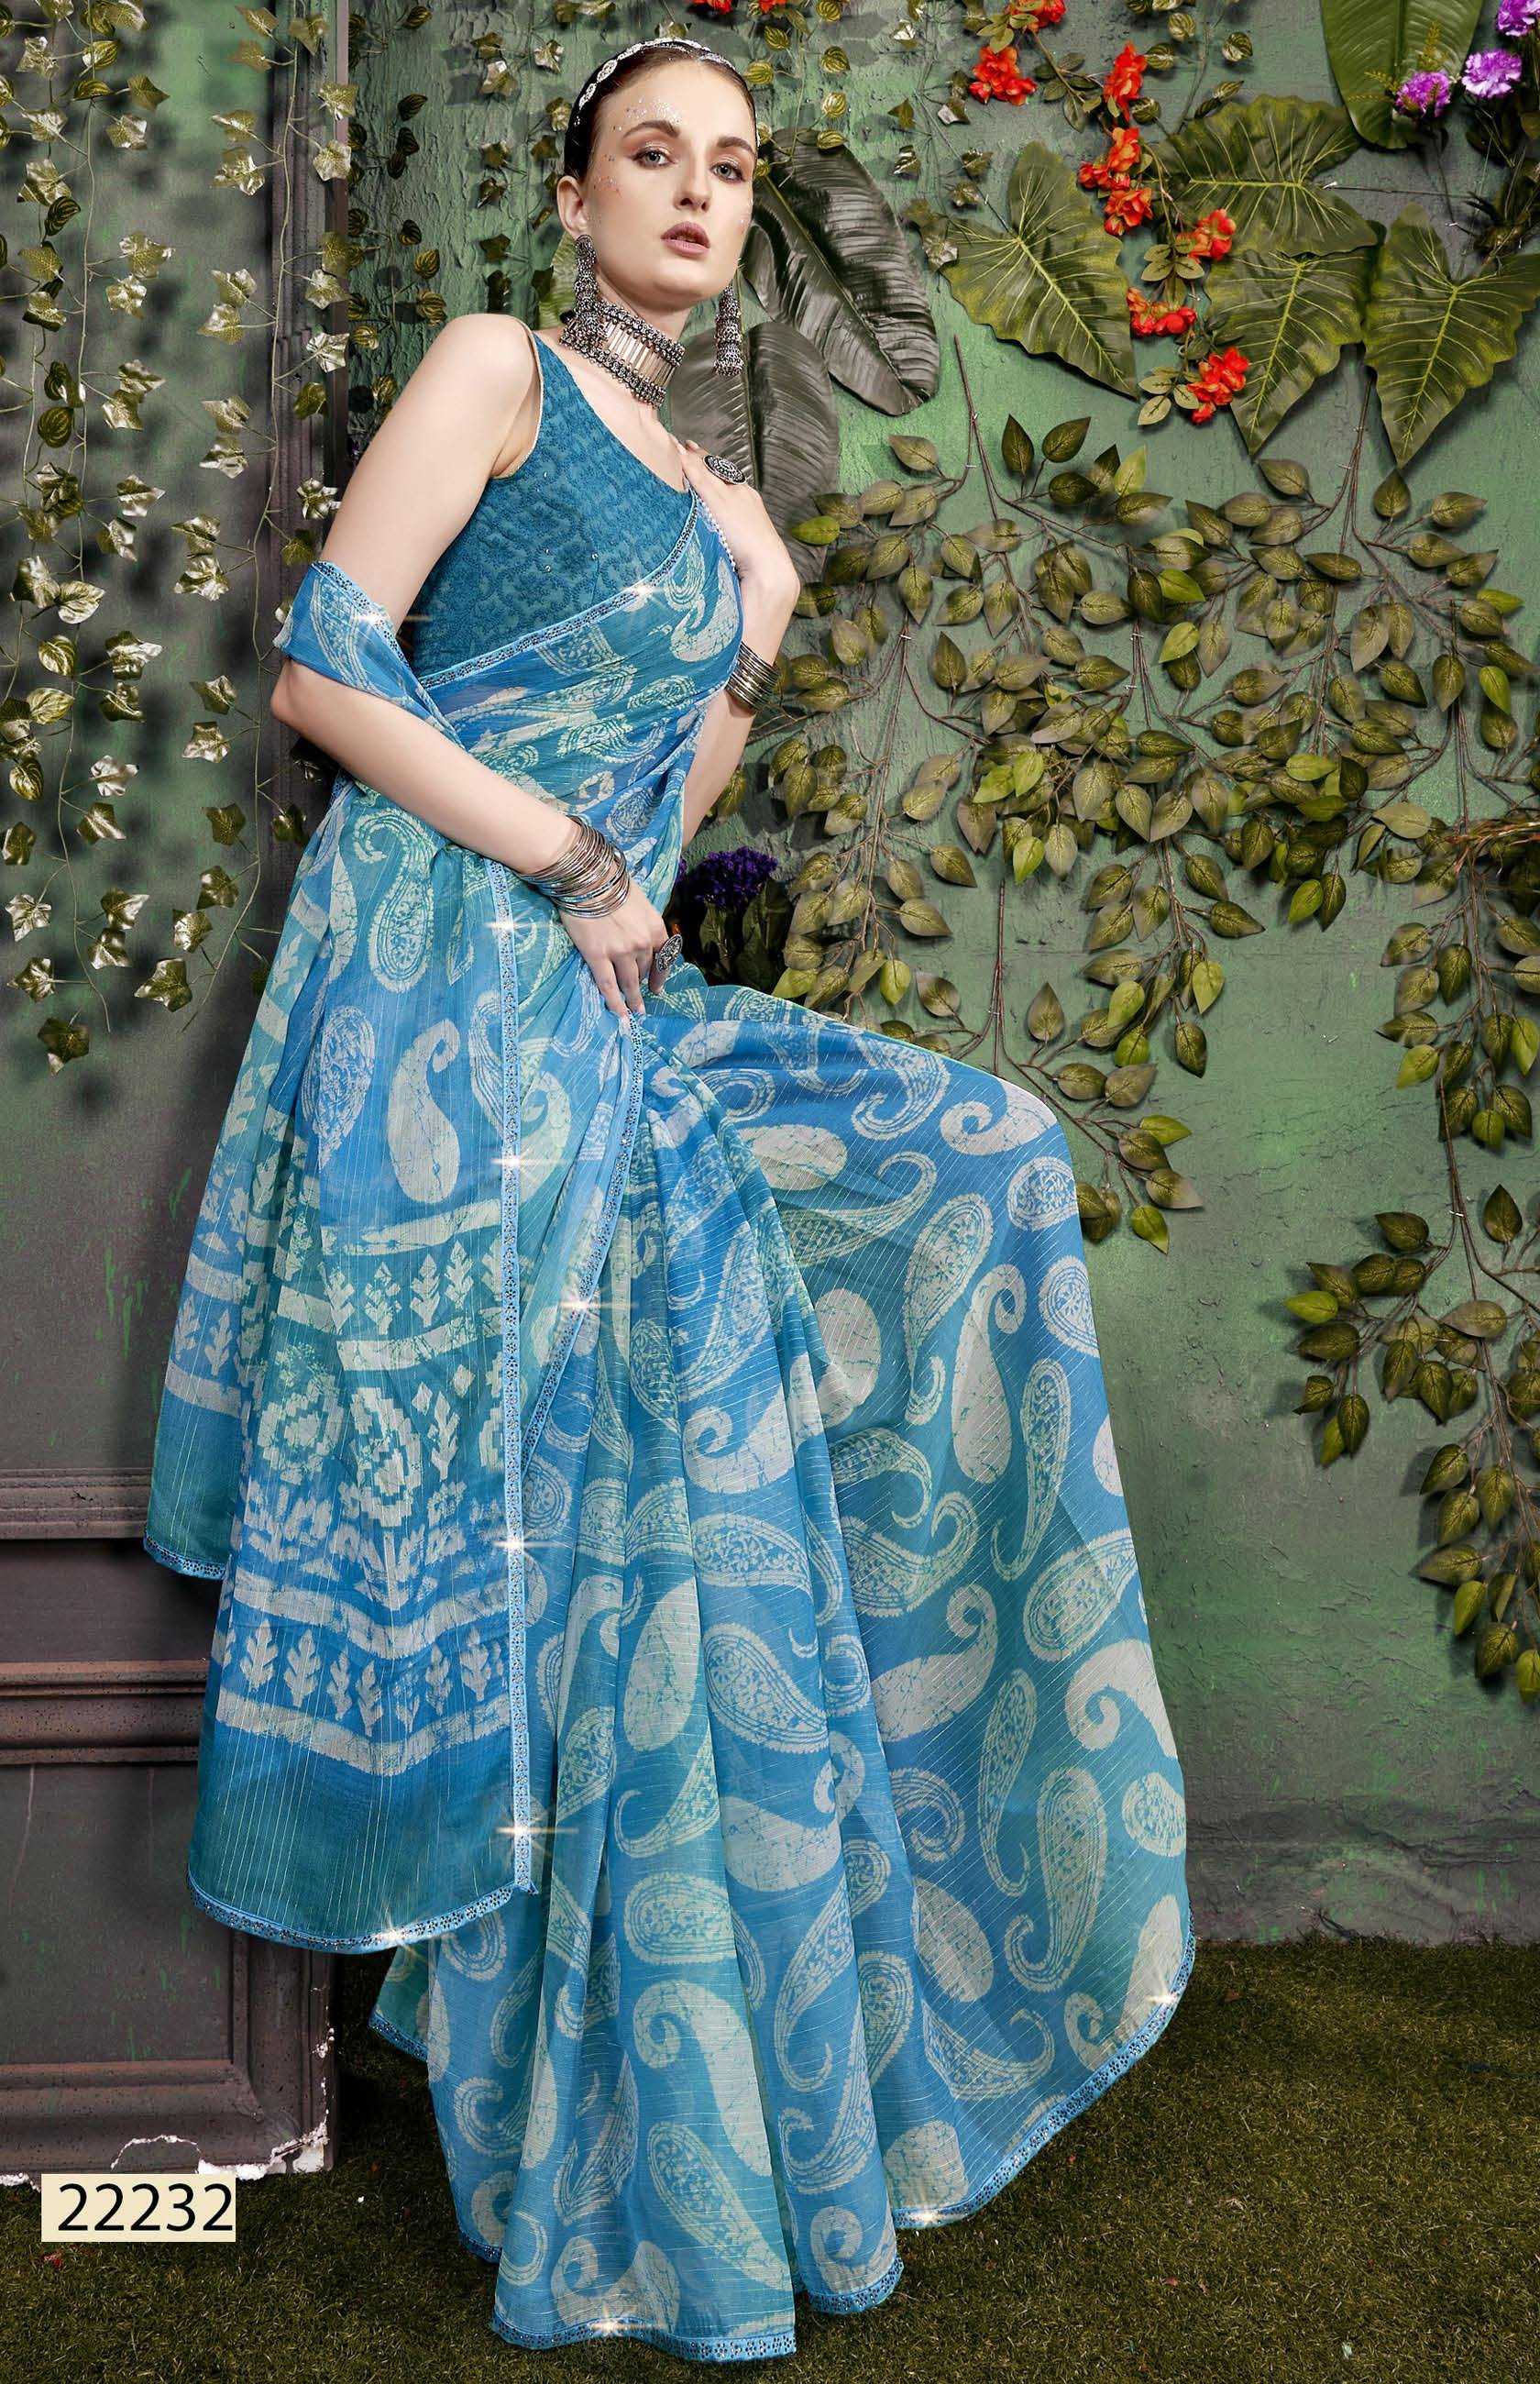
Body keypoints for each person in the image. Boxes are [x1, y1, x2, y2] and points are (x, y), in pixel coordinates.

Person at [143, 34, 1195, 2364]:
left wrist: (761, 616)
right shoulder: (495, 370)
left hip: (591, 975)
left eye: (732, 167)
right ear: (576, 189)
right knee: (610, 1438)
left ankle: (698, 2040)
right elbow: (326, 669)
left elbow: (671, 790)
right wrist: (568, 859)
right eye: (656, 155)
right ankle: (566, 2082)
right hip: (449, 967)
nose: (698, 195)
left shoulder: (707, 482)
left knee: (977, 1160)